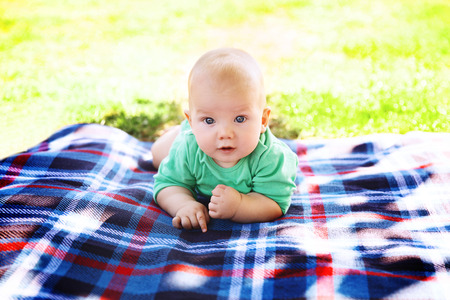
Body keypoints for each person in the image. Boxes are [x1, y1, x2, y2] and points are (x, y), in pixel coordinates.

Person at [152, 47, 298, 232]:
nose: (225, 133)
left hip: (201, 136)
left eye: (239, 119)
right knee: (157, 155)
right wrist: (184, 204)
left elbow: (274, 202)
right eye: (209, 120)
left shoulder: (271, 157)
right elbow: (168, 184)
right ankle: (179, 130)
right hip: (189, 137)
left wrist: (240, 206)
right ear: (192, 121)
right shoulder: (188, 146)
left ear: (262, 120)